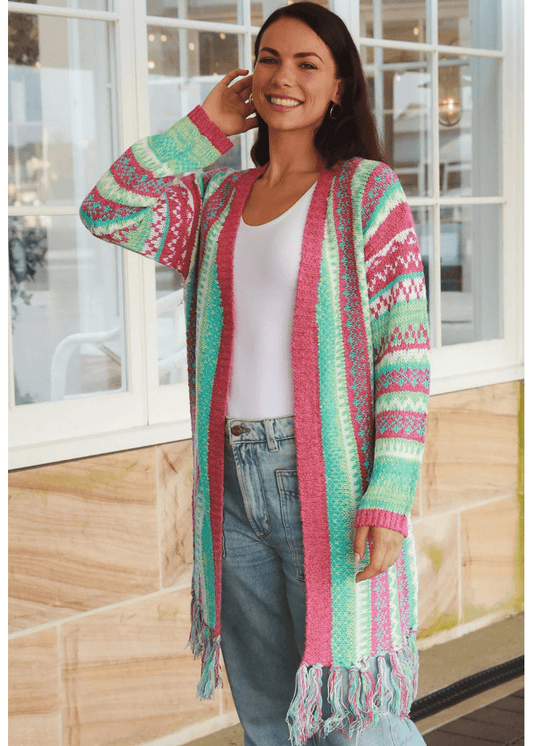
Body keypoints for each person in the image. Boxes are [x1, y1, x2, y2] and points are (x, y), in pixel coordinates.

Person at [80, 4, 430, 745]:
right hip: (230, 484)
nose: (283, 77)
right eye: (269, 58)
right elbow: (107, 207)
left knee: (355, 713)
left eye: (308, 64)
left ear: (338, 87)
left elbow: (404, 350)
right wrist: (204, 128)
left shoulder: (364, 194)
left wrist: (389, 493)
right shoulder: (217, 203)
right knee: (269, 712)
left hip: (329, 479)